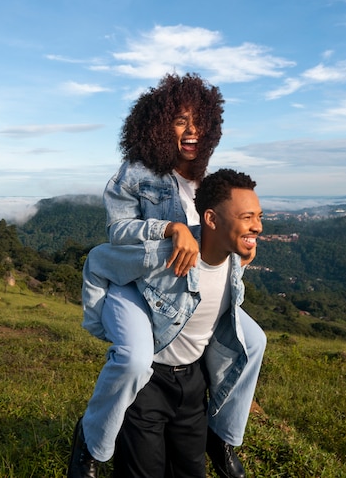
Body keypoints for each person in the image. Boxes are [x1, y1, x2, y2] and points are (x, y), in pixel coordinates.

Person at [68, 73, 225, 477]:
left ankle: (222, 438)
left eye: (199, 120)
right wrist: (169, 229)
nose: (192, 131)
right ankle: (90, 440)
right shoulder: (137, 172)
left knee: (251, 343)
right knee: (136, 361)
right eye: (180, 121)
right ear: (158, 126)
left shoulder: (204, 180)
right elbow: (117, 232)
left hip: (181, 292)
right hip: (137, 284)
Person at [96, 169, 264, 478]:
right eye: (247, 217)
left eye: (259, 216)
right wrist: (97, 321)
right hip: (149, 383)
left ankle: (222, 437)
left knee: (190, 471)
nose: (258, 226)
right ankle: (92, 442)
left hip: (193, 383)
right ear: (211, 220)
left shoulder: (235, 260)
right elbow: (101, 260)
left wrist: (243, 244)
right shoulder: (168, 257)